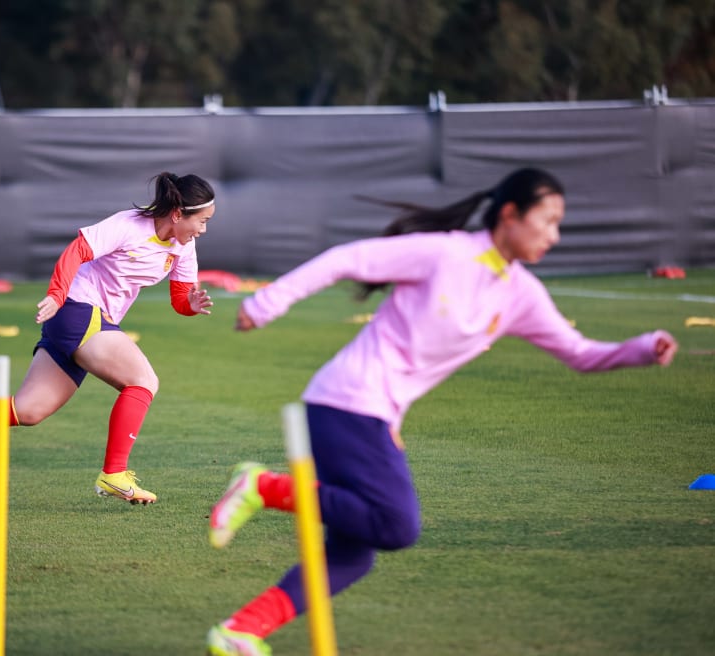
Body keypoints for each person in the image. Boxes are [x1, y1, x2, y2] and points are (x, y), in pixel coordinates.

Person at [204, 168, 678, 655]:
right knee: (396, 524)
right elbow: (347, 258)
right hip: (348, 399)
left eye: (560, 224)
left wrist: (643, 348)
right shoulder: (447, 252)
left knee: (352, 556)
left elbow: (579, 354)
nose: (554, 236)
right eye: (548, 220)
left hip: (372, 412)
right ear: (511, 215)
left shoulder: (521, 294)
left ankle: (240, 630)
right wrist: (267, 302)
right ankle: (263, 486)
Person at [0, 172, 217, 505]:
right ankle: (114, 474)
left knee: (29, 410)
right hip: (77, 309)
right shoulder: (129, 225)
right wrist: (58, 294)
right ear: (178, 213)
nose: (203, 229)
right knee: (143, 380)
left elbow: (181, 298)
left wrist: (189, 306)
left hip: (86, 321)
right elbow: (77, 251)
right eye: (202, 220)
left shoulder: (184, 246)